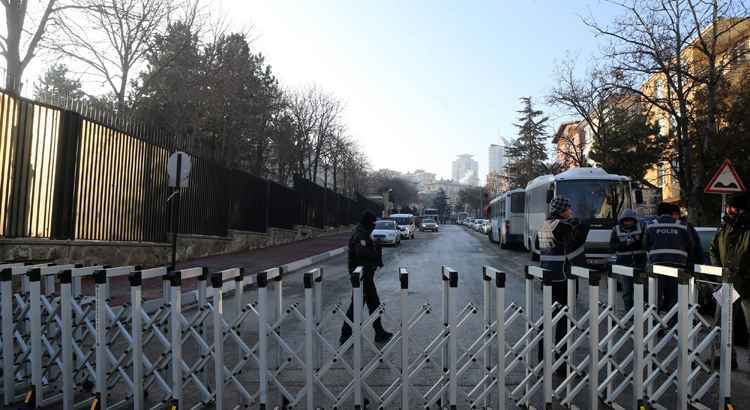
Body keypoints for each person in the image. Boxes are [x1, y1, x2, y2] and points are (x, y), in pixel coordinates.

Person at [536, 196, 589, 364]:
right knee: (563, 321)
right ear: (562, 210)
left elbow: (539, 247)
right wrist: (582, 224)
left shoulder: (544, 225)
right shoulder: (564, 227)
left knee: (547, 319)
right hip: (563, 278)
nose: (571, 211)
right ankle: (561, 363)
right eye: (568, 209)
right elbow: (575, 243)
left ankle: (542, 358)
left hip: (547, 277)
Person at [340, 211, 393, 345]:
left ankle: (379, 332)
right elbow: (361, 253)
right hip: (361, 276)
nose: (374, 226)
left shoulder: (363, 232)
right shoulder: (360, 235)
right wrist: (376, 251)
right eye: (373, 223)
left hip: (366, 275)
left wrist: (375, 247)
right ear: (368, 223)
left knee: (374, 304)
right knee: (356, 306)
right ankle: (346, 335)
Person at [710, 193, 750, 367]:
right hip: (726, 281)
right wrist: (720, 270)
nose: (728, 209)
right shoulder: (724, 226)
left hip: (748, 283)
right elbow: (713, 249)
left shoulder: (747, 227)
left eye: (731, 207)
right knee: (721, 322)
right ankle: (724, 358)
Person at [643, 202, 695, 315]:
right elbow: (691, 245)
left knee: (655, 296)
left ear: (658, 213)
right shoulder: (683, 225)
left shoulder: (650, 225)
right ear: (672, 213)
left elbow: (645, 245)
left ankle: (657, 324)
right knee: (673, 296)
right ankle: (672, 324)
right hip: (678, 265)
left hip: (657, 264)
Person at [609, 208, 647, 311]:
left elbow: (645, 243)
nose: (628, 222)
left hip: (640, 263)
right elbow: (612, 246)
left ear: (634, 220)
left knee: (643, 289)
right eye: (626, 220)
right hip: (624, 264)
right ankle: (629, 311)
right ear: (622, 220)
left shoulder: (642, 227)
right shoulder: (615, 230)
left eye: (630, 220)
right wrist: (625, 245)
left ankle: (641, 310)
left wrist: (636, 243)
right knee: (626, 290)